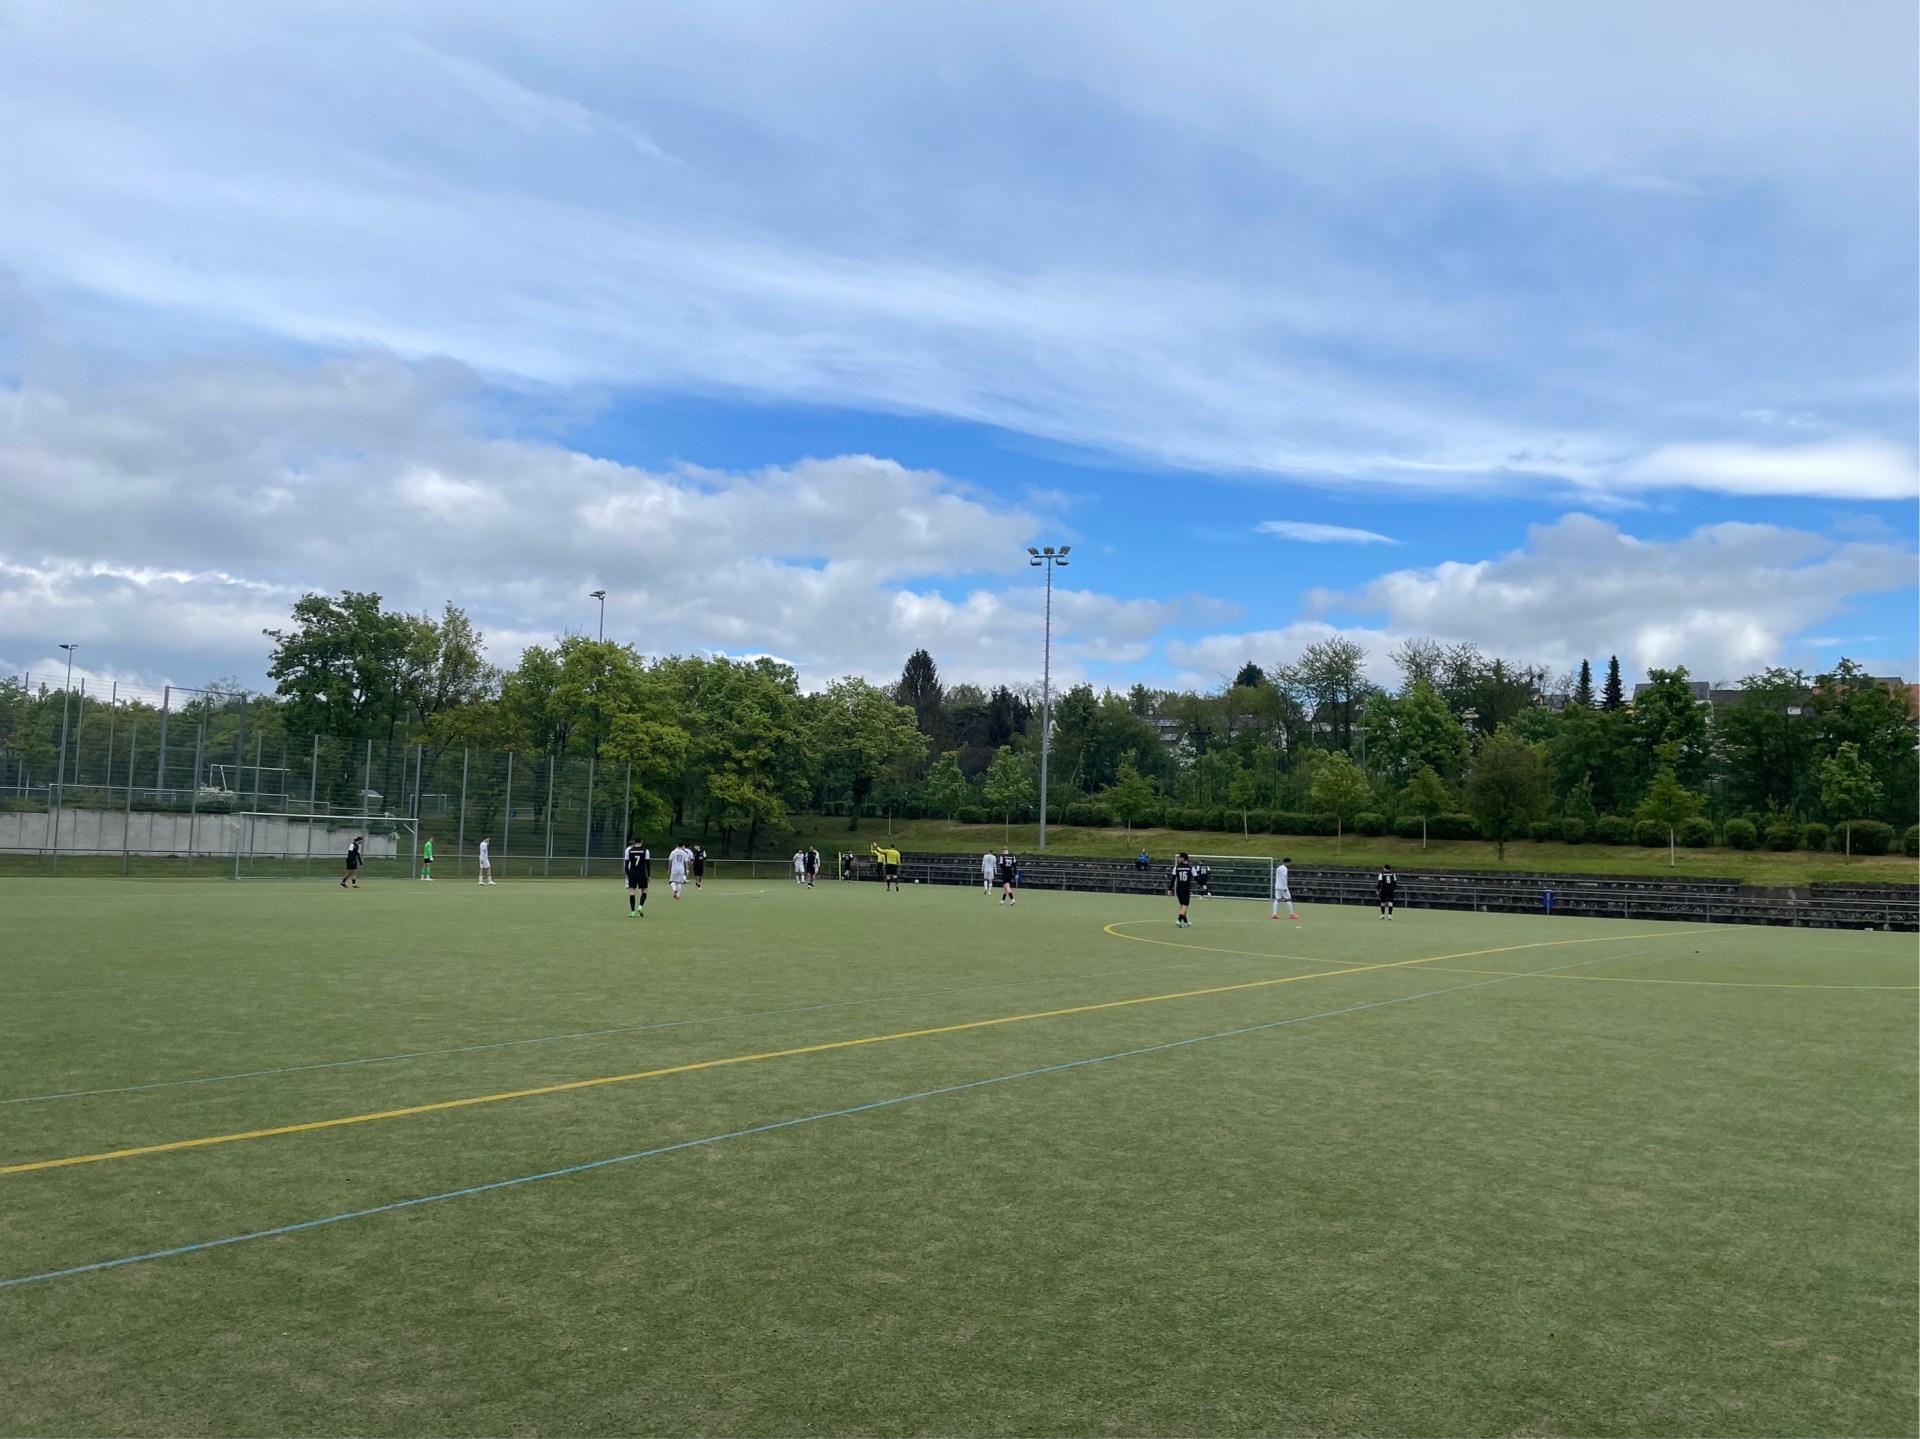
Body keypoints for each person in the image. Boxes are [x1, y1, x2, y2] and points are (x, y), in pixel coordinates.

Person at [1167, 852, 1195, 927]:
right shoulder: (1191, 868)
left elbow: (1173, 879)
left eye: (1180, 857)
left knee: (1182, 905)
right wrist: (1203, 885)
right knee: (1185, 904)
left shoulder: (1176, 867)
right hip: (1186, 889)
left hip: (1178, 889)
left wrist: (1170, 889)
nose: (1178, 859)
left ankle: (1185, 921)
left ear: (1183, 858)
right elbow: (1197, 878)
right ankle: (1179, 920)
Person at [624, 838, 650, 916]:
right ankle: (640, 906)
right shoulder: (645, 851)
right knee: (644, 890)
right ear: (641, 841)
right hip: (642, 873)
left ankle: (632, 911)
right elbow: (648, 864)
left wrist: (629, 875)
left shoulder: (629, 851)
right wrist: (648, 875)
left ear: (634, 842)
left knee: (632, 891)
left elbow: (626, 865)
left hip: (632, 873)